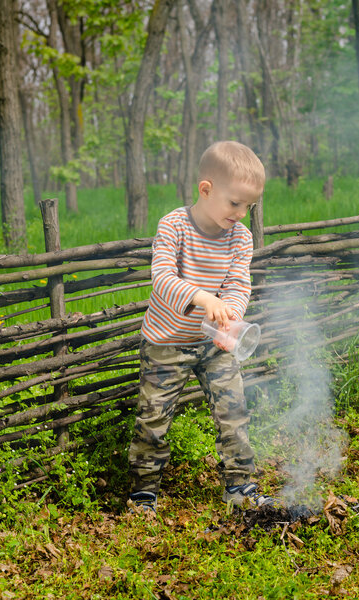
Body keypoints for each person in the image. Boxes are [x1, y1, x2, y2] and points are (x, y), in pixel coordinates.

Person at [127, 140, 275, 513]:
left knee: (234, 411)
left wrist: (230, 314)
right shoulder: (174, 226)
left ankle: (240, 484)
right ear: (206, 190)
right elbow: (161, 277)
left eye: (249, 206)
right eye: (235, 203)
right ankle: (143, 490)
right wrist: (202, 298)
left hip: (214, 346)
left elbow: (239, 285)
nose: (241, 213)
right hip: (165, 343)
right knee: (154, 416)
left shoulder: (240, 237)